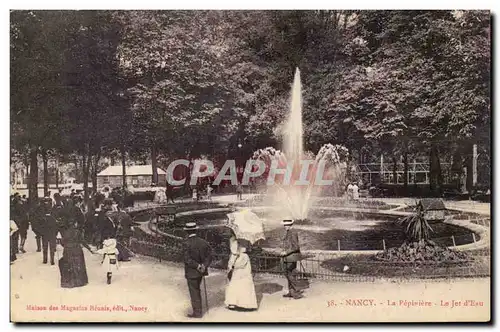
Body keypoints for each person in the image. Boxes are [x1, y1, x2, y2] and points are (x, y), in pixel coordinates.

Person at [183, 222, 212, 318]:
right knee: (197, 290)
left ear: (187, 232)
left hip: (192, 272)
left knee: (194, 291)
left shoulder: (186, 243)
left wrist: (198, 266)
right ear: (195, 230)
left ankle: (197, 312)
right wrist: (204, 265)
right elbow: (209, 256)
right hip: (201, 272)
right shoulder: (204, 242)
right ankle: (198, 310)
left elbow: (187, 259)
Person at [59, 221, 93, 288]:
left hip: (67, 250)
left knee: (69, 265)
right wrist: (89, 248)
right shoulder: (77, 232)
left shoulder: (65, 232)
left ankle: (69, 281)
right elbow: (82, 241)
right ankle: (79, 282)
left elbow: (62, 242)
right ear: (74, 224)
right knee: (78, 265)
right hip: (77, 250)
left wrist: (67, 246)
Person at [225, 246, 258, 310]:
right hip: (236, 274)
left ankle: (246, 304)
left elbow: (241, 264)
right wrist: (233, 261)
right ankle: (233, 303)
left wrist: (234, 265)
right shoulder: (233, 255)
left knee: (244, 287)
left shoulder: (245, 256)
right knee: (235, 287)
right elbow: (230, 263)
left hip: (244, 275)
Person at [281, 219, 304, 299]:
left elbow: (296, 247)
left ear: (291, 225)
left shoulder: (293, 232)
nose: (285, 226)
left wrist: (286, 252)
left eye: (287, 225)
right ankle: (291, 292)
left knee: (290, 274)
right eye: (284, 225)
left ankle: (296, 292)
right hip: (289, 256)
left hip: (292, 256)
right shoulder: (288, 232)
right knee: (288, 273)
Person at [40, 198, 59, 265]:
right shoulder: (54, 212)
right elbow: (57, 223)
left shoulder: (42, 213)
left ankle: (45, 260)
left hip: (45, 232)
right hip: (52, 232)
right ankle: (52, 260)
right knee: (52, 247)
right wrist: (56, 232)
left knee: (45, 246)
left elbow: (40, 223)